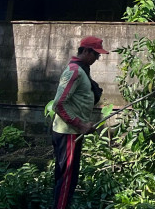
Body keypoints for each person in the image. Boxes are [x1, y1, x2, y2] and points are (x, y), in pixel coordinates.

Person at [51, 36, 107, 209]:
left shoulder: (82, 70)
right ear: (85, 51)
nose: (97, 59)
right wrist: (81, 125)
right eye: (95, 55)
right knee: (67, 178)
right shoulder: (74, 71)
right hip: (68, 132)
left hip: (73, 131)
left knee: (69, 176)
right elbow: (58, 104)